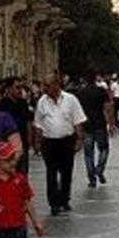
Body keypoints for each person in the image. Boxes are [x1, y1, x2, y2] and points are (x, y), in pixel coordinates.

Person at [32, 73, 87, 216]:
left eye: (48, 85)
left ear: (57, 85)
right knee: (51, 172)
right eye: (44, 85)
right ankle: (53, 203)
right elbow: (38, 123)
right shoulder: (42, 102)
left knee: (66, 171)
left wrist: (80, 140)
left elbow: (78, 121)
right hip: (49, 141)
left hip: (66, 141)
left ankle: (64, 199)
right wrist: (37, 142)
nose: (45, 88)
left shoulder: (71, 100)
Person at [74, 72, 113, 187]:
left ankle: (91, 179)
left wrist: (78, 128)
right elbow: (107, 108)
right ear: (95, 78)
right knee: (104, 149)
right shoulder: (101, 91)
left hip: (86, 125)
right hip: (100, 123)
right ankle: (99, 169)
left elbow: (77, 111)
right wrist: (110, 124)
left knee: (88, 153)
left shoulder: (80, 93)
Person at [0, 79, 33, 175]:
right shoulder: (2, 105)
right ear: (9, 89)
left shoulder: (22, 103)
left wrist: (30, 137)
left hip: (22, 142)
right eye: (17, 87)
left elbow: (28, 120)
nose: (20, 90)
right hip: (7, 145)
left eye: (21, 87)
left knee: (23, 173)